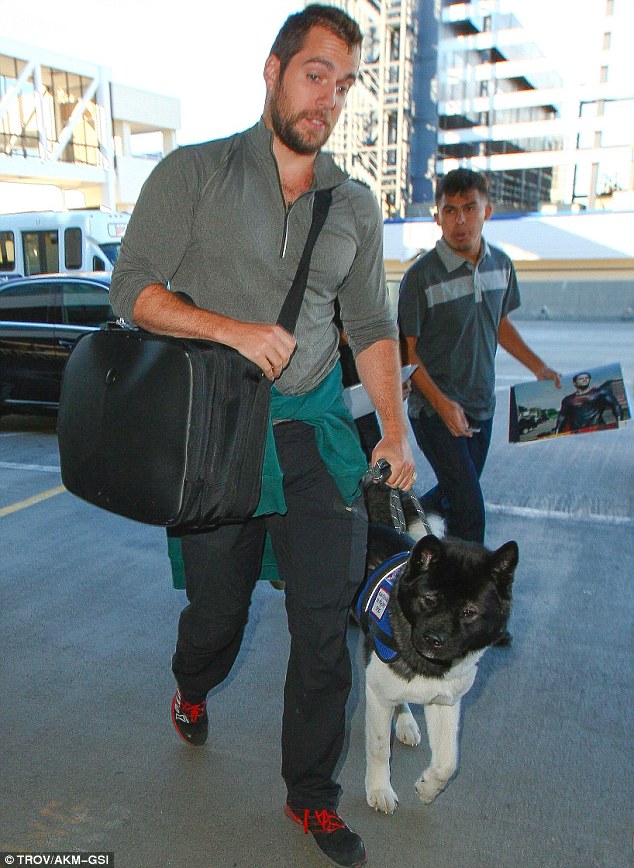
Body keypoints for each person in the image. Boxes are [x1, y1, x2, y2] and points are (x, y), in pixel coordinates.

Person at [109, 6, 414, 867]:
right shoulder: (195, 173)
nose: (329, 98)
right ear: (274, 70)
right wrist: (233, 329)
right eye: (316, 74)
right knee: (220, 613)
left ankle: (311, 798)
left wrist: (392, 425)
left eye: (345, 84)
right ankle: (191, 684)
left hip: (315, 431)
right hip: (219, 436)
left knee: (325, 623)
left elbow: (372, 322)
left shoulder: (353, 203)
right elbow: (129, 289)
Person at [399, 168, 561, 545]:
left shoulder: (501, 266)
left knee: (457, 497)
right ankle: (469, 592)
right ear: (436, 216)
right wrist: (442, 405)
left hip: (481, 406)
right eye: (450, 210)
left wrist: (539, 367)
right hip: (433, 409)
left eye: (470, 209)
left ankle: (406, 520)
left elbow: (499, 323)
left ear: (487, 211)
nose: (460, 221)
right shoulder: (420, 277)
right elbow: (408, 353)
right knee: (471, 513)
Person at [555, 370, 622, 434]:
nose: (585, 379)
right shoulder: (568, 400)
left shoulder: (600, 392)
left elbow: (615, 405)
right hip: (577, 432)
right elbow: (562, 415)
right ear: (574, 383)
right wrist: (557, 431)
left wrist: (620, 422)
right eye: (581, 378)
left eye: (587, 378)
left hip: (598, 429)